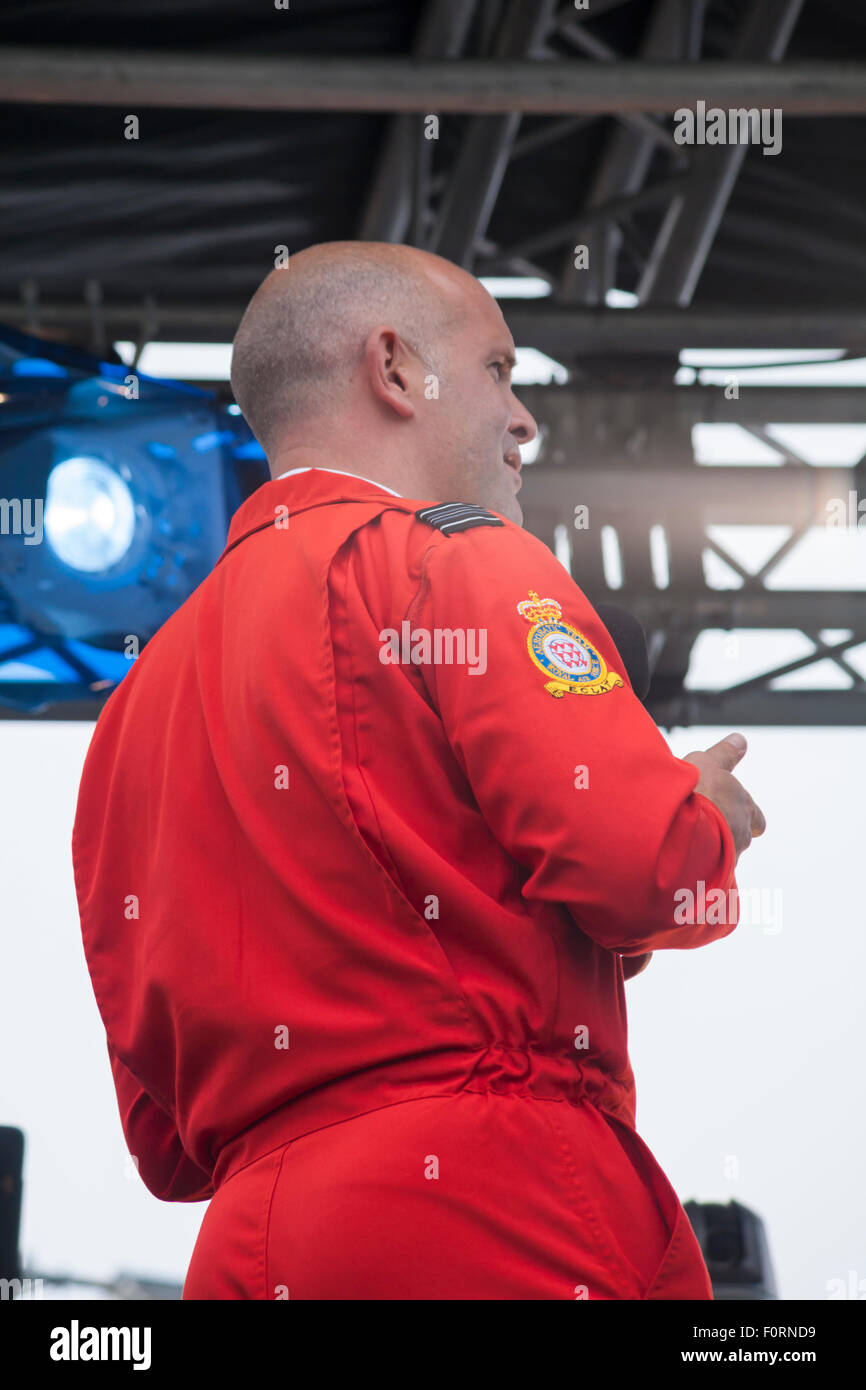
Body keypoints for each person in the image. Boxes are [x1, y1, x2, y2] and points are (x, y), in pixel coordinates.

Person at [72, 241, 765, 1300]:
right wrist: (702, 814)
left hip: (248, 1244)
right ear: (394, 369)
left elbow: (161, 1137)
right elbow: (640, 868)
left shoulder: (131, 710)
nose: (523, 418)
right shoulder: (449, 559)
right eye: (498, 368)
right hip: (486, 1209)